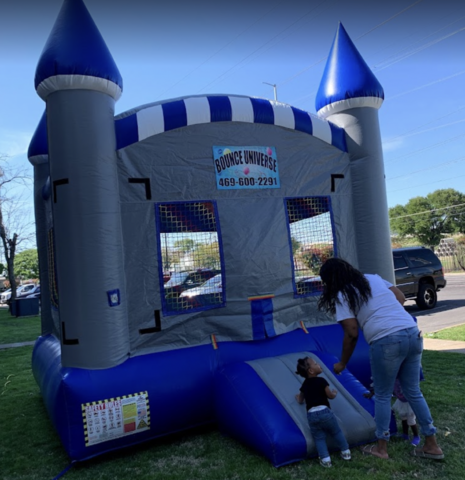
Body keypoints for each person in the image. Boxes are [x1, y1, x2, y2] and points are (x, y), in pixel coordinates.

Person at [317, 257, 444, 460]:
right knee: (413, 391)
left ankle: (381, 449)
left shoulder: (343, 294)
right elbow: (401, 298)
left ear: (331, 280)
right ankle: (432, 444)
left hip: (386, 341)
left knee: (383, 395)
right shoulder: (372, 278)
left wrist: (342, 363)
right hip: (412, 332)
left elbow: (351, 333)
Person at [295, 356, 351, 468]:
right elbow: (330, 396)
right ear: (311, 370)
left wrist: (297, 397)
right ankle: (346, 452)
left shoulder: (304, 385)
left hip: (311, 416)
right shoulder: (321, 381)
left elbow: (301, 399)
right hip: (325, 413)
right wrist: (334, 393)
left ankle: (326, 460)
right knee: (336, 432)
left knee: (319, 438)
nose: (319, 365)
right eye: (316, 364)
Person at [392, 378, 420, 446]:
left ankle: (416, 436)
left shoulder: (407, 377)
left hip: (410, 402)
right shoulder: (394, 378)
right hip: (401, 401)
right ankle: (405, 434)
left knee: (411, 420)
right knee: (403, 418)